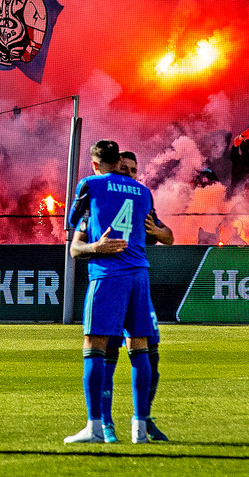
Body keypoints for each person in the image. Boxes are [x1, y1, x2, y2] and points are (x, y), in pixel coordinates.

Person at [63, 140, 157, 445]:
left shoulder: (90, 184)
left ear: (94, 164)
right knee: (139, 346)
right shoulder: (143, 191)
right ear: (119, 161)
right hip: (139, 274)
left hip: (108, 274)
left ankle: (94, 427)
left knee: (94, 345)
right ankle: (139, 429)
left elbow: (72, 224)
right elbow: (153, 229)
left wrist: (96, 243)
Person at [120, 151, 171, 442]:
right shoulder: (103, 199)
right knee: (105, 357)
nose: (129, 174)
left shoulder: (141, 202)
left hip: (139, 287)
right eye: (124, 169)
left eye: (133, 170)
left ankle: (144, 418)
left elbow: (169, 237)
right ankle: (102, 424)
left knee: (153, 360)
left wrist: (158, 231)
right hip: (112, 284)